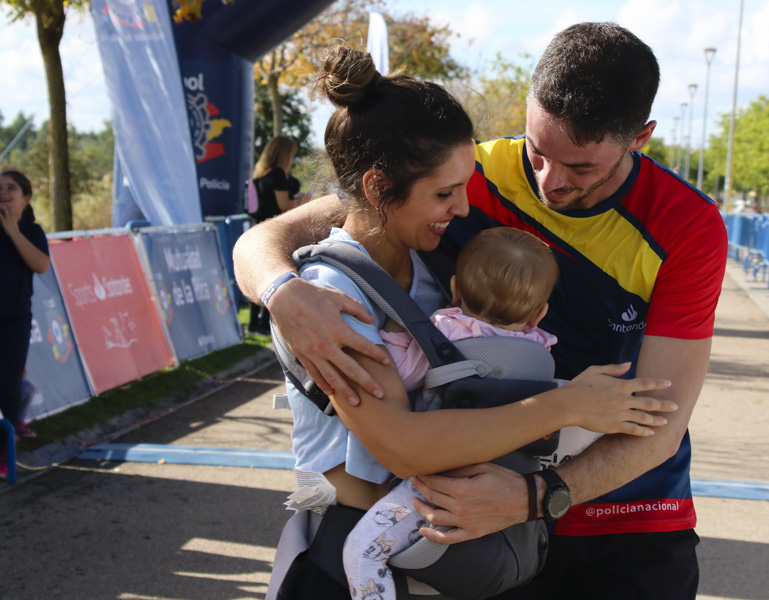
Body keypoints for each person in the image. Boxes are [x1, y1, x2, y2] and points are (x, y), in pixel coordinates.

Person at [236, 23, 727, 599]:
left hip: (624, 520)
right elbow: (269, 237)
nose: (549, 180)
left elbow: (659, 425)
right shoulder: (469, 173)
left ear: (639, 138)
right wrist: (281, 293)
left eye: (582, 168)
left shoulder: (686, 225)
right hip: (481, 523)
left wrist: (534, 496)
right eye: (538, 151)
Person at [344, 227, 570, 600]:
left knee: (362, 553)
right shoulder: (541, 352)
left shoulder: (446, 336)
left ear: (456, 289)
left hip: (434, 486)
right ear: (540, 314)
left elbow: (397, 376)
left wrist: (397, 331)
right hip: (508, 485)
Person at [0, 170, 51, 478]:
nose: (4, 192)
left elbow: (41, 265)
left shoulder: (31, 231)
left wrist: (12, 231)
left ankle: (7, 452)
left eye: (11, 188)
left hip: (15, 322)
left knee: (8, 388)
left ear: (25, 197)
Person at [248, 135, 304, 334]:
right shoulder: (279, 174)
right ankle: (267, 324)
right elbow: (284, 205)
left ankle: (255, 322)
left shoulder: (261, 173)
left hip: (257, 230)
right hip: (274, 233)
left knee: (260, 277)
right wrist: (305, 202)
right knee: (276, 278)